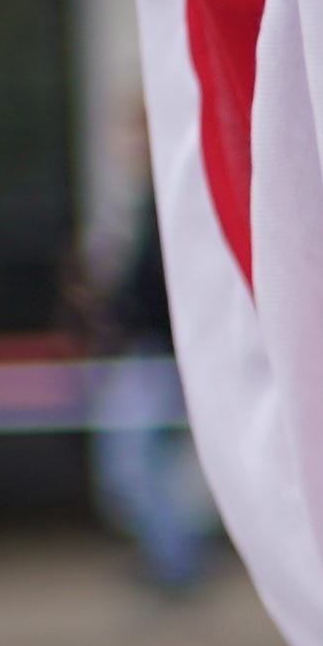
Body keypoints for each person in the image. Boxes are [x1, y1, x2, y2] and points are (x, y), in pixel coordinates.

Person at [76, 171, 221, 598]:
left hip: (159, 353)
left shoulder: (165, 204)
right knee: (146, 465)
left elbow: (150, 287)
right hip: (159, 351)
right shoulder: (156, 202)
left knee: (134, 462)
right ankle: (173, 556)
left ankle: (175, 561)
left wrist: (120, 313)